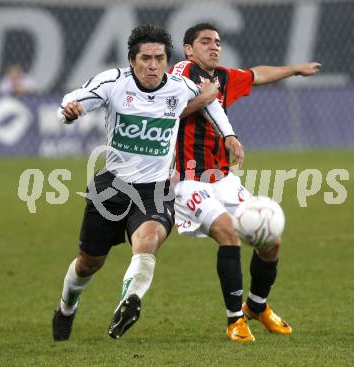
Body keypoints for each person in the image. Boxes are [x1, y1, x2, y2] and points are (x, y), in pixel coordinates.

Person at [51, 24, 244, 341]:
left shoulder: (180, 87)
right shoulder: (114, 82)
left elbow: (210, 101)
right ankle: (66, 308)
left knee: (148, 242)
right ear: (132, 60)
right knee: (88, 263)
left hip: (154, 191)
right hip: (111, 187)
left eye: (159, 58)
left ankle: (131, 301)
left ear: (167, 60)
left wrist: (230, 135)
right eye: (145, 58)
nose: (152, 65)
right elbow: (72, 102)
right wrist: (68, 113)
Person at [170, 23, 321, 342]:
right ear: (188, 48)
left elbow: (257, 74)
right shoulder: (182, 72)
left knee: (271, 238)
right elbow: (172, 112)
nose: (214, 47)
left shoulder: (223, 76)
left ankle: (257, 307)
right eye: (205, 41)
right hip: (189, 182)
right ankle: (234, 320)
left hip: (223, 179)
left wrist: (294, 69)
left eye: (218, 42)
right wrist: (228, 131)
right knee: (228, 232)